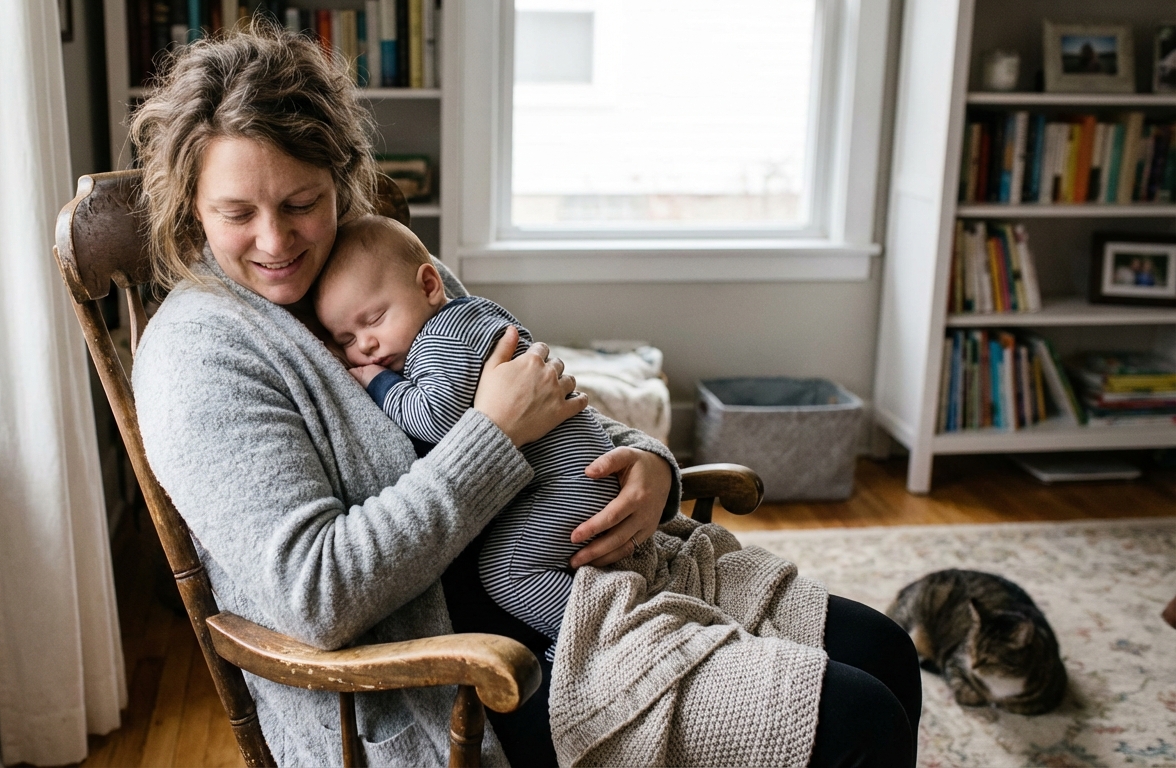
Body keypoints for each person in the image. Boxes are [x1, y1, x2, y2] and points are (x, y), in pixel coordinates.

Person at [128, 24, 921, 768]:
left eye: (302, 203)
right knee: (858, 721)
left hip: (594, 582)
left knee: (886, 651)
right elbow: (318, 594)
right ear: (191, 208)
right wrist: (490, 438)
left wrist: (644, 464)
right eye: (238, 213)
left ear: (341, 182)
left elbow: (530, 390)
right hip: (457, 675)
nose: (276, 241)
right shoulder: (200, 356)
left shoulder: (375, 261)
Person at [314, 215, 621, 662]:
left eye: (375, 319)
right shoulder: (466, 319)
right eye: (348, 339)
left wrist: (377, 383)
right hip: (579, 471)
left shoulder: (439, 339)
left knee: (508, 570)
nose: (369, 345)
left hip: (568, 483)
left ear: (428, 286)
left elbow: (437, 420)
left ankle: (592, 640)